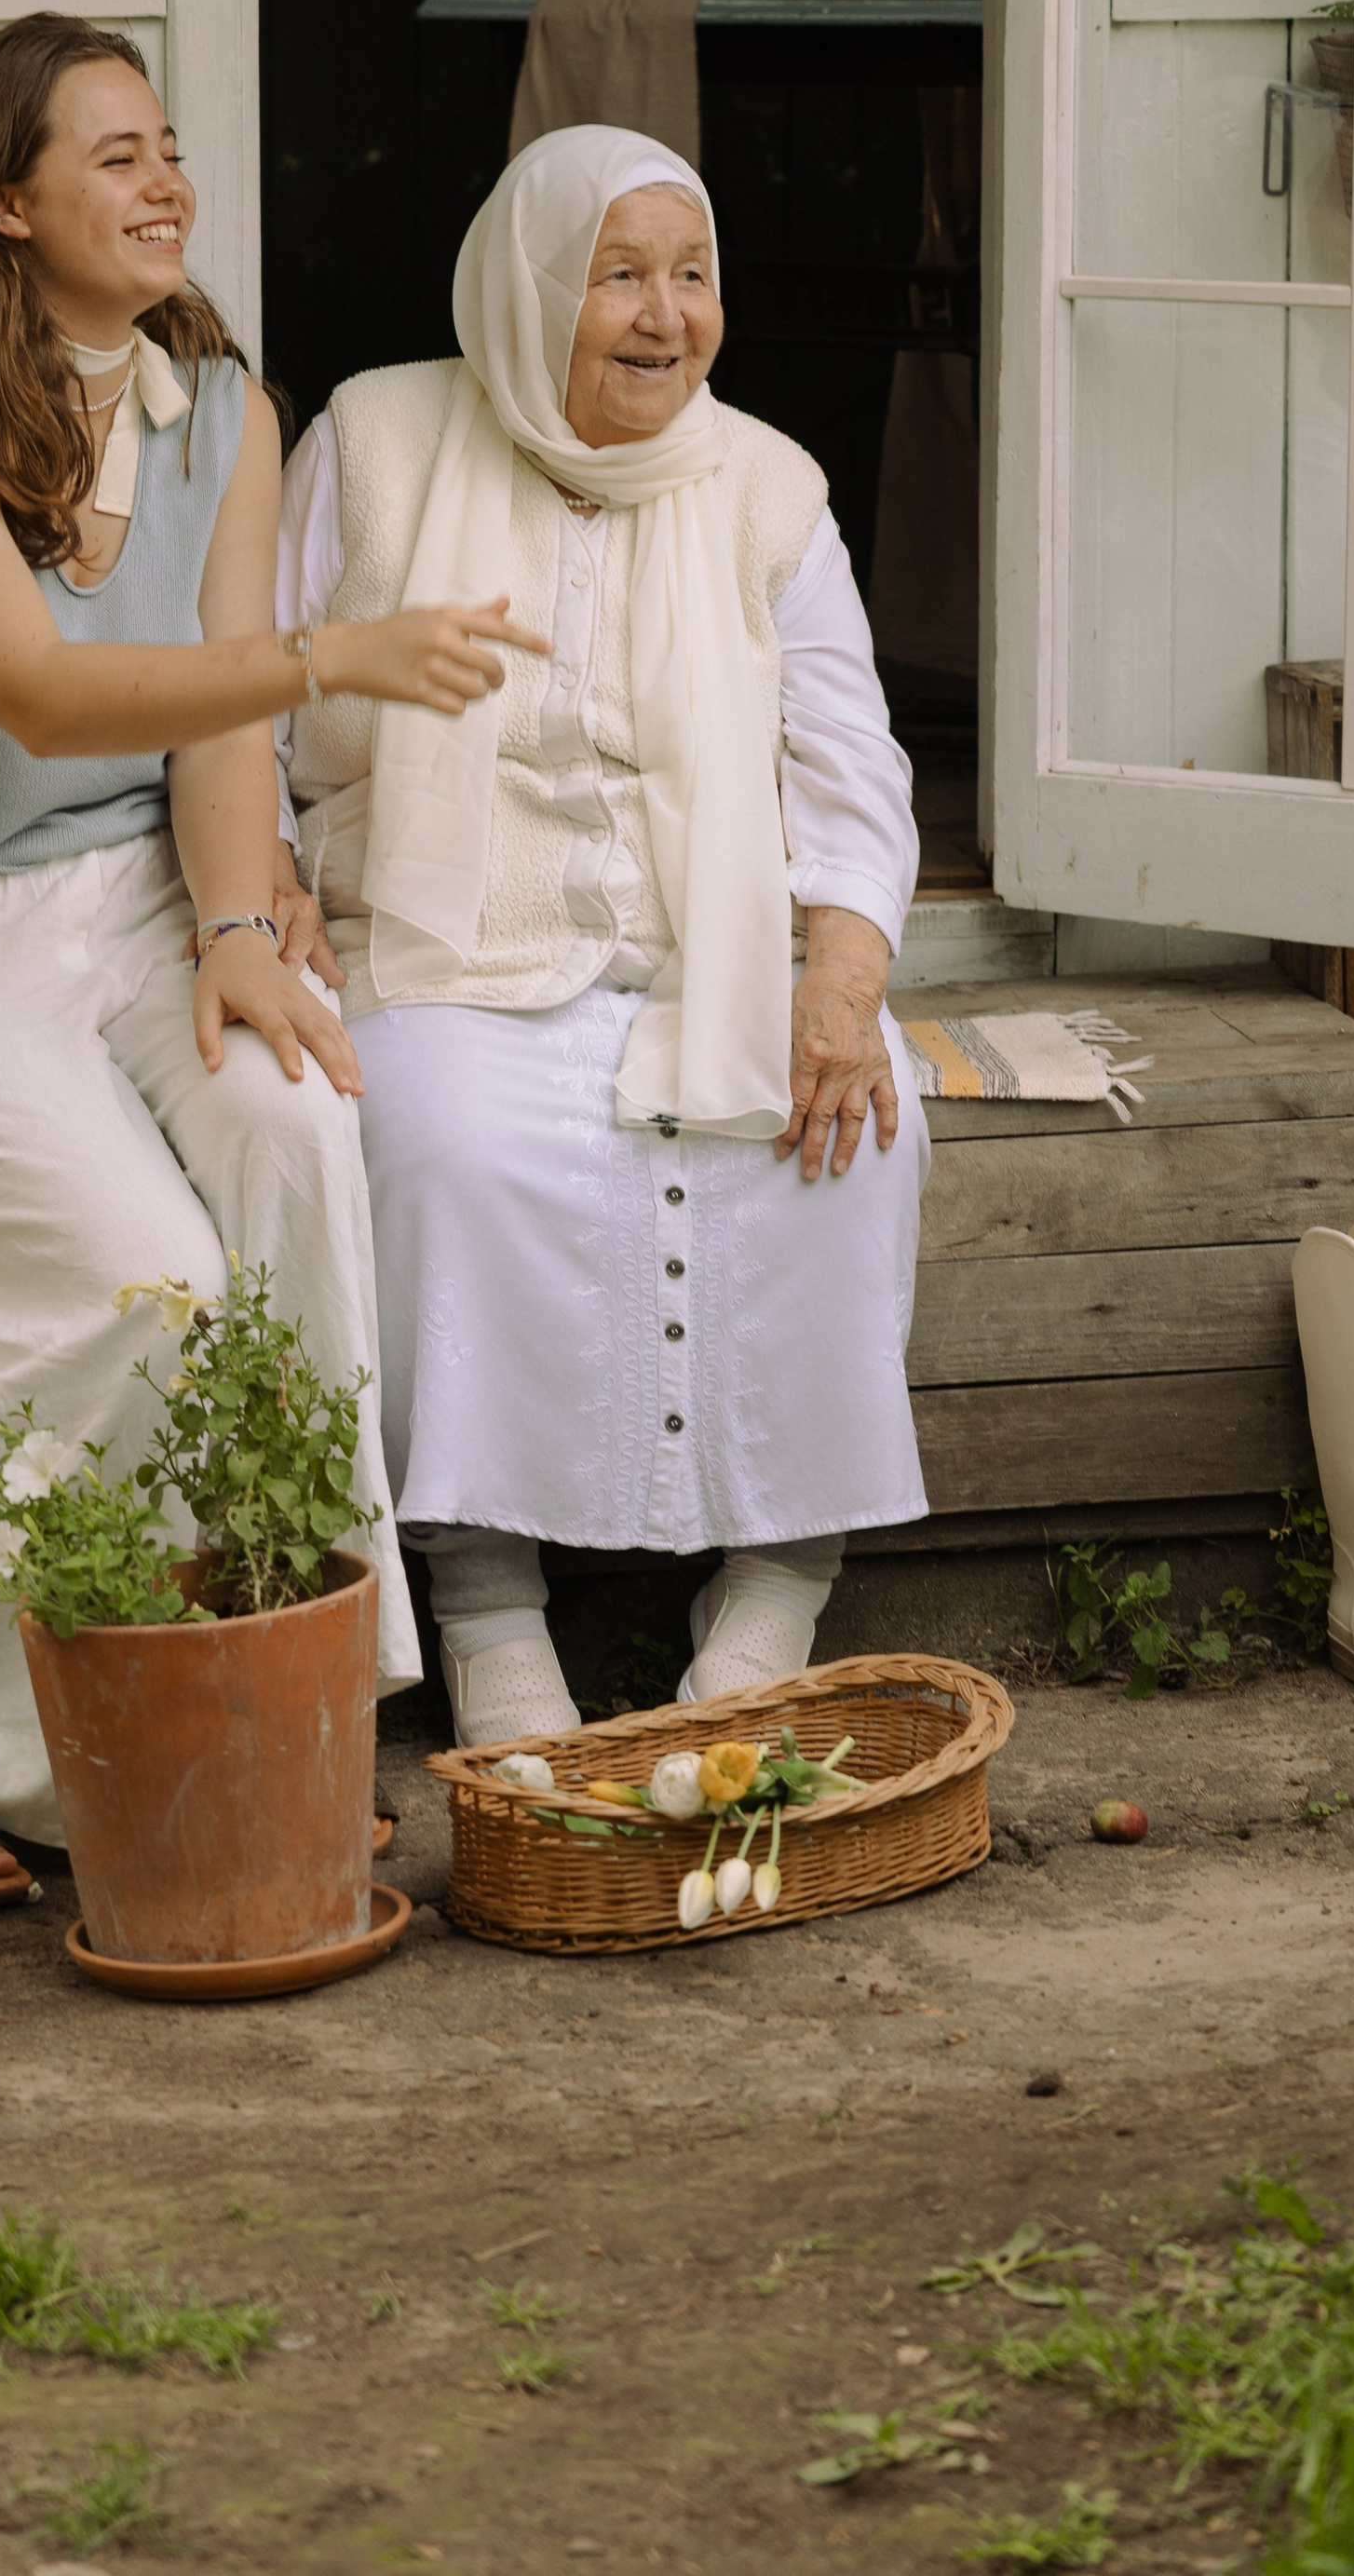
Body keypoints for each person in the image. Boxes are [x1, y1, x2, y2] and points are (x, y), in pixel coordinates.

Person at [0, 15, 537, 1906]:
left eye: (167, 143)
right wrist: (329, 658)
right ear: (4, 201)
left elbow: (205, 749)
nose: (164, 178)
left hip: (128, 906)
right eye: (112, 154)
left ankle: (287, 1694)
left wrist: (233, 927)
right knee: (139, 1288)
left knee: (294, 1133)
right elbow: (37, 696)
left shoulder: (217, 401)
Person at [279, 124, 927, 1747]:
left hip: (714, 952)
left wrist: (840, 979)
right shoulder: (375, 441)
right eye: (618, 277)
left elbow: (852, 765)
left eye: (691, 276)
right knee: (434, 1143)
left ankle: (779, 1582)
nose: (665, 316)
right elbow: (260, 693)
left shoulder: (768, 486)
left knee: (845, 1128)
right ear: (530, 289)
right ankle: (488, 1600)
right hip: (440, 943)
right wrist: (268, 876)